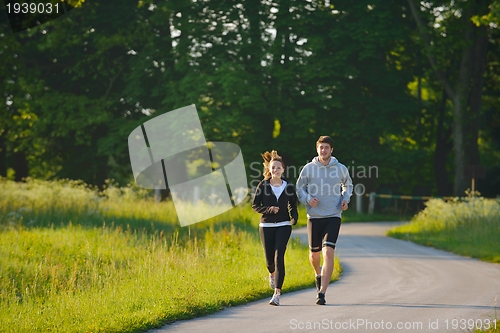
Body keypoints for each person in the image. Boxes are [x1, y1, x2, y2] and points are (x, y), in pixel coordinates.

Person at [296, 135, 353, 305]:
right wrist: (307, 199)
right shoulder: (308, 168)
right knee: (314, 255)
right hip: (314, 216)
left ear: (331, 150)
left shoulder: (340, 168)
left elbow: (348, 185)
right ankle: (317, 273)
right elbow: (300, 188)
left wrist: (345, 199)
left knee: (328, 252)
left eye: (326, 147)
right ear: (317, 149)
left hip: (333, 215)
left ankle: (322, 293)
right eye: (321, 147)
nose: (323, 150)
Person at [251, 150, 298, 306]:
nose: (275, 170)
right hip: (266, 225)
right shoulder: (263, 185)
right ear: (269, 170)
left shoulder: (288, 185)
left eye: (278, 168)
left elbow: (293, 204)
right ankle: (272, 274)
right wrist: (270, 209)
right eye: (273, 168)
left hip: (284, 225)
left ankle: (277, 293)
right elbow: (255, 205)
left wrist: (294, 216)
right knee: (269, 260)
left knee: (279, 258)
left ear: (283, 169)